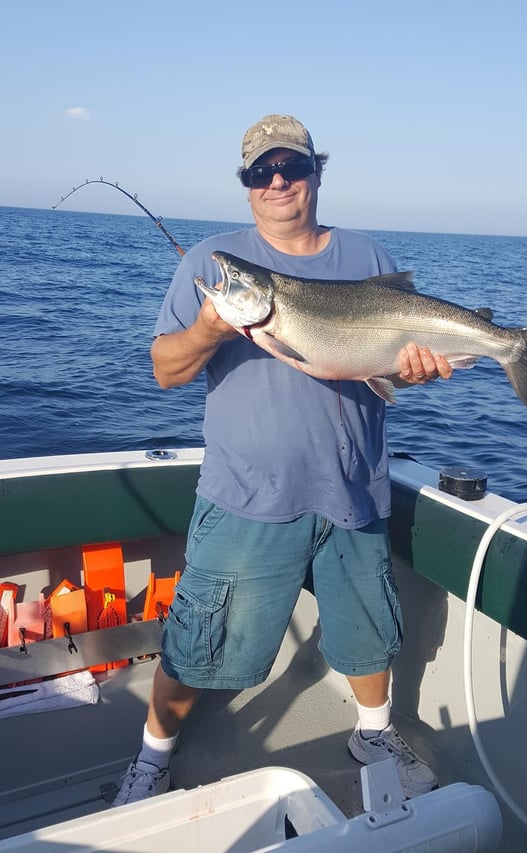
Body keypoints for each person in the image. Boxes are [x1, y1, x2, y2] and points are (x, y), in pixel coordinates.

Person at [113, 114, 452, 807]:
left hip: (354, 488)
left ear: (314, 174)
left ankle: (374, 731)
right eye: (260, 172)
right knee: (200, 637)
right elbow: (164, 371)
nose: (276, 182)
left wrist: (411, 369)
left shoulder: (368, 258)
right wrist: (210, 324)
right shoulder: (212, 263)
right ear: (245, 187)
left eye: (290, 168)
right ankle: (151, 757)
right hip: (247, 493)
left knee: (368, 630)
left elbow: (389, 368)